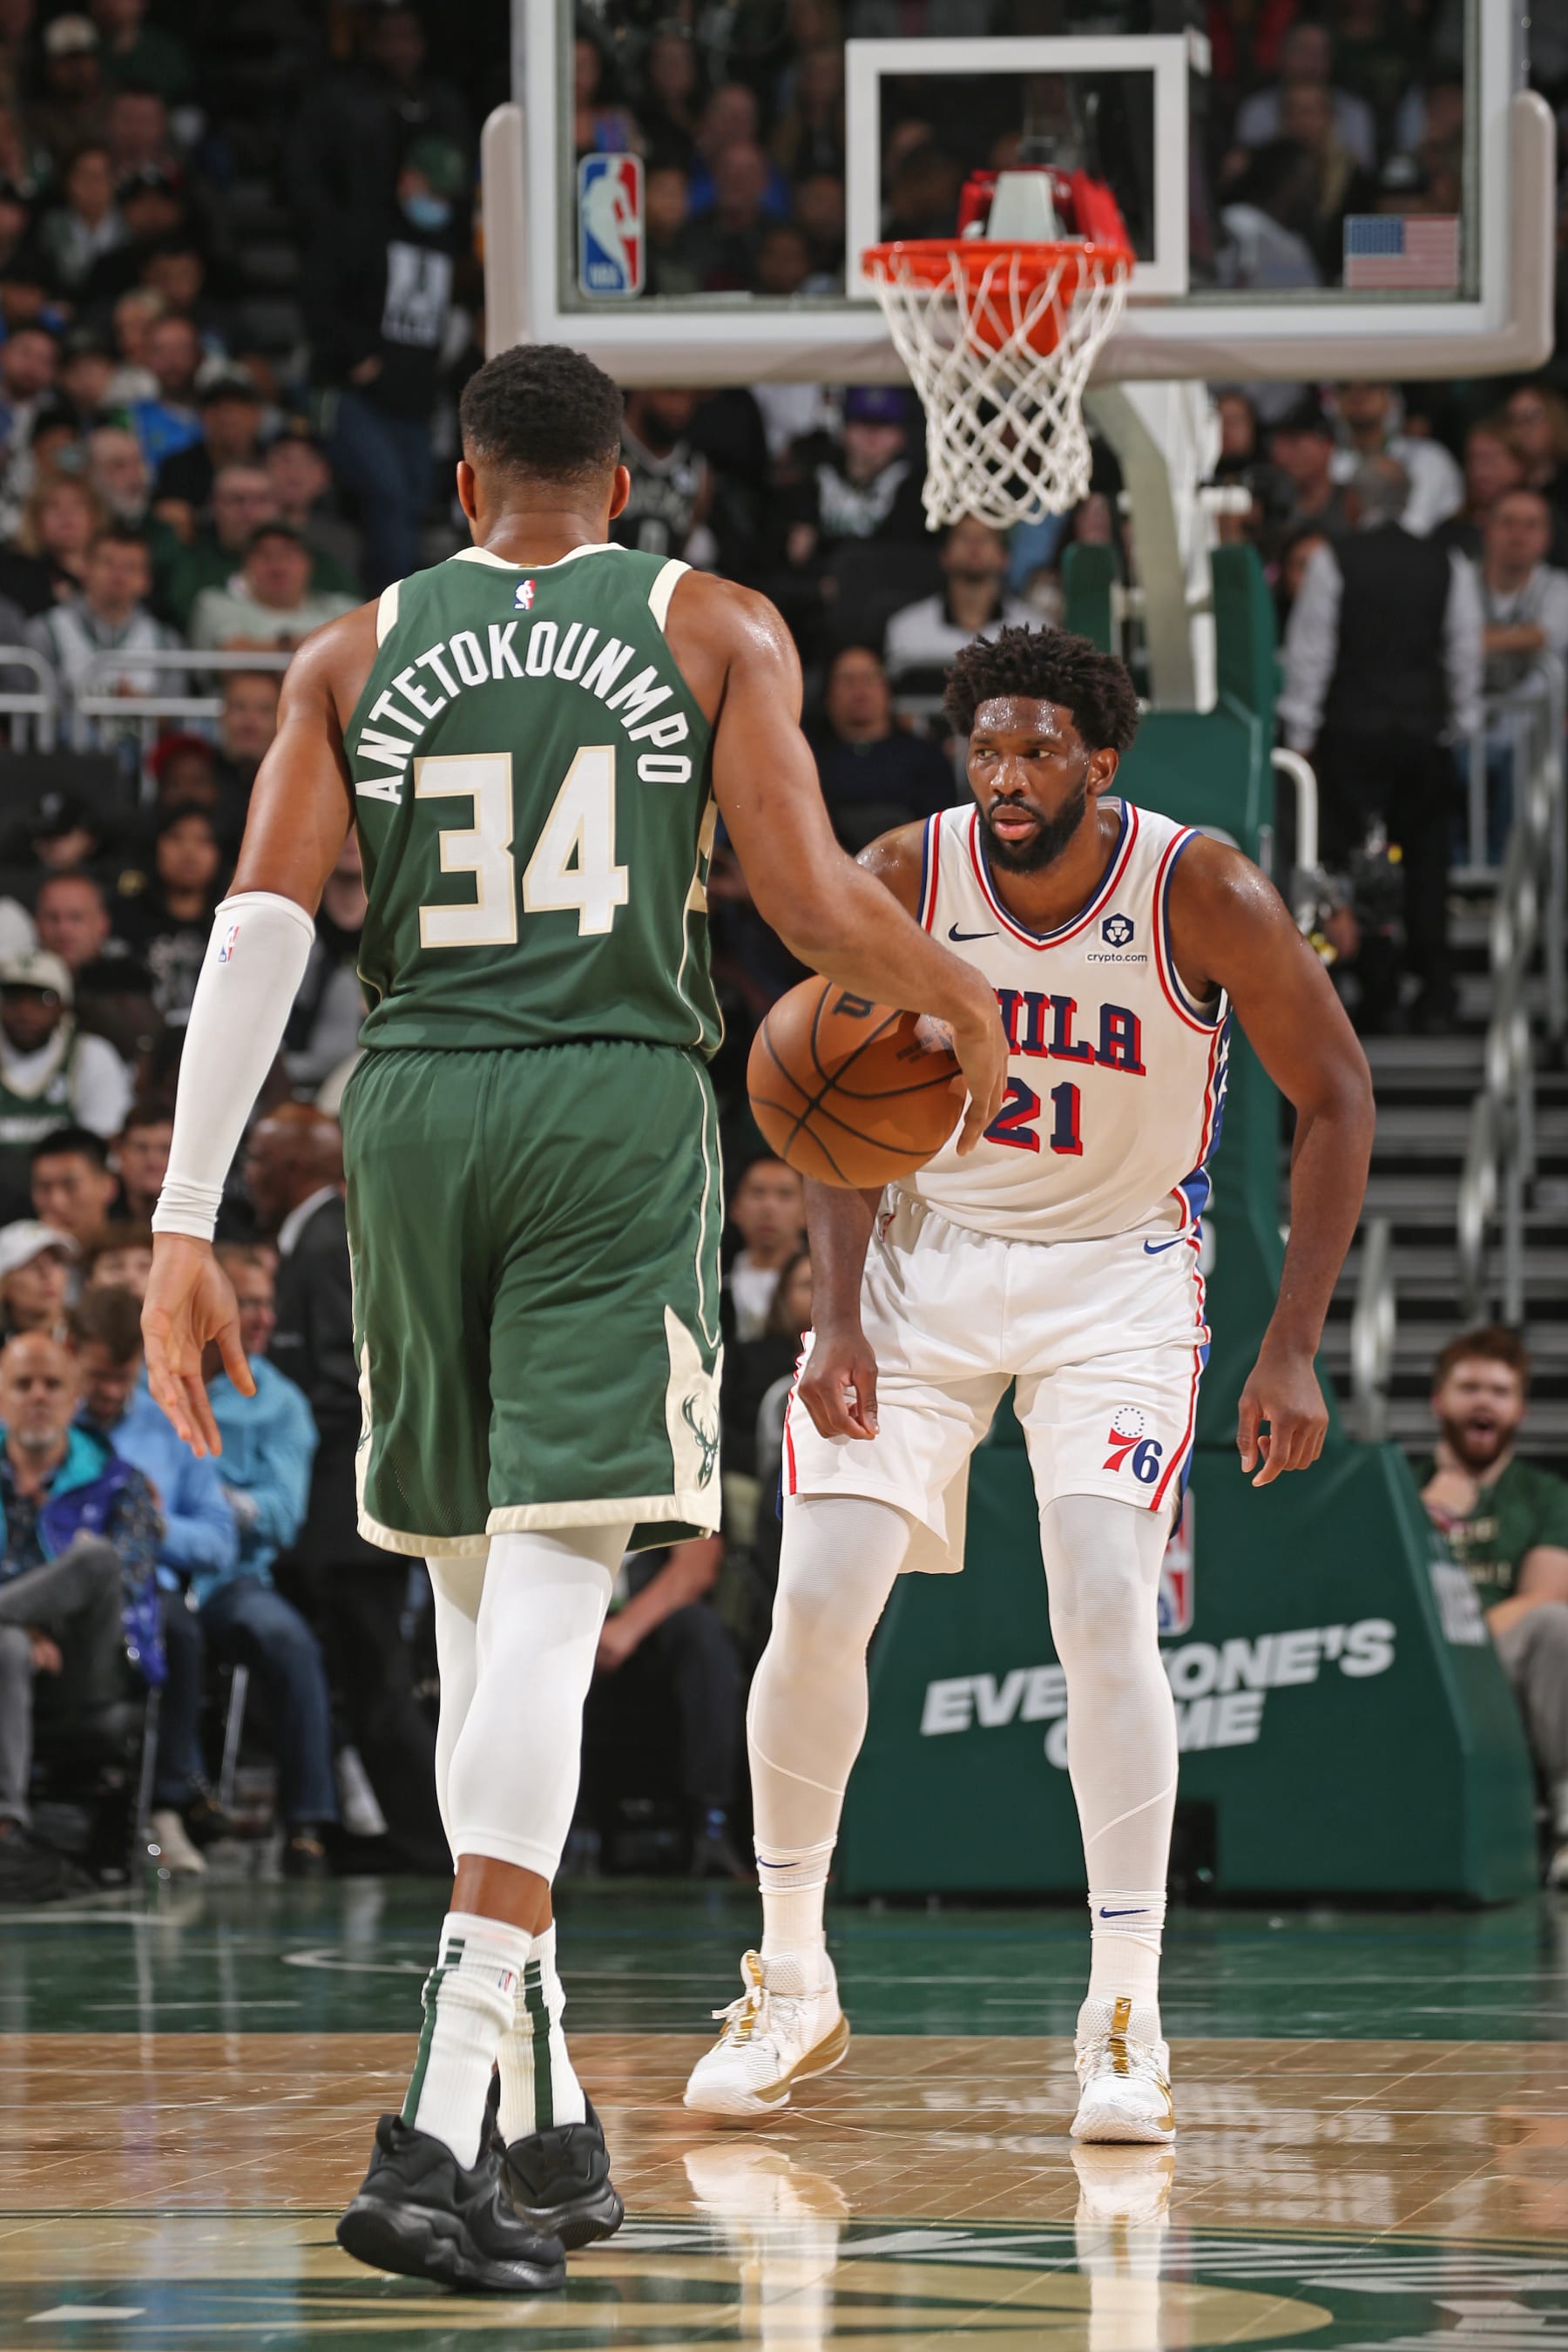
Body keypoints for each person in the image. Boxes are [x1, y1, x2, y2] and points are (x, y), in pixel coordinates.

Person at [139, 338, 1005, 2292]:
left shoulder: (346, 651)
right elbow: (804, 900)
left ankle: (543, 2125)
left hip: (410, 1107)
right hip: (610, 1102)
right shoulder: (712, 624)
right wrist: (964, 999)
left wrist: (186, 1220)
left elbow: (259, 929)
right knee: (546, 1591)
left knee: (475, 1618)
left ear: (462, 491)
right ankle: (440, 2117)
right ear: (625, 487)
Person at [683, 623, 1374, 2147]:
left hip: (1118, 1278)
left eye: (1037, 750)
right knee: (816, 1603)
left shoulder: (1200, 888)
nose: (1004, 774)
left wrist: (1292, 1342)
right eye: (986, 747)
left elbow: (1337, 1096)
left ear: (1100, 761)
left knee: (1102, 1606)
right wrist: (838, 1316)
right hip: (923, 1265)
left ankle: (1124, 2012)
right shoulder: (904, 872)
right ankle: (790, 1981)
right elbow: (834, 1103)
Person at [244, 1104, 445, 1877]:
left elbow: (346, 1381)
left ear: (294, 1165)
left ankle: (430, 1843)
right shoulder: (330, 1233)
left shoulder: (329, 1242)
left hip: (344, 1505)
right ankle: (390, 1831)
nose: (248, 1175)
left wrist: (280, 1425)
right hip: (347, 1500)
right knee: (359, 1679)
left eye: (259, 1160)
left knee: (377, 1679)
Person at [1280, 456, 1484, 1031]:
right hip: (1423, 735)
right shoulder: (1445, 562)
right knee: (1427, 862)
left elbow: (1311, 654)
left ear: (1353, 503)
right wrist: (1461, 721)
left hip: (1353, 735)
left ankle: (1379, 989)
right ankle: (1437, 990)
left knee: (1360, 861)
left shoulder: (1335, 560)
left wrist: (1301, 734)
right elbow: (1464, 648)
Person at [68, 1282, 240, 1878]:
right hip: (59, 1582)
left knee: (180, 1631)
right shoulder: (44, 1413)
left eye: (122, 1377)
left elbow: (220, 1541)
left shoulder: (170, 1423)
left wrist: (153, 1525)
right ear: (71, 1352)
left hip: (144, 1586)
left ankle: (165, 1805)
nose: (110, 1392)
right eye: (97, 1376)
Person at [0, 1329, 158, 1901]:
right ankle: (6, 1833)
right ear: (1, 1396)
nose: (38, 1396)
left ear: (74, 1399)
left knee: (97, 1559)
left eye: (52, 1385)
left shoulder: (120, 1480)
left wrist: (39, 1617)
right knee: (7, 1646)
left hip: (89, 1664)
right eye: (23, 1384)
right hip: (10, 1658)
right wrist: (21, 1624)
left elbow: (131, 1576)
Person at [1418, 1328, 1568, 1888]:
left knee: (1556, 1625)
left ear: (1520, 1410)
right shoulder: (1402, 1486)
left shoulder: (1544, 1495)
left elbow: (1545, 1597)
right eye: (1470, 1388)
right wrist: (1429, 1514)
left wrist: (1464, 1641)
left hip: (1497, 1660)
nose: (1484, 1402)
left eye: (1500, 1391)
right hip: (1410, 1656)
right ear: (1439, 1401)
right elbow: (1381, 1593)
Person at [808, 645, 957, 852]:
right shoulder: (808, 758)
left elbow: (940, 831)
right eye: (847, 680)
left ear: (887, 689)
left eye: (870, 677)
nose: (860, 689)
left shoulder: (925, 756)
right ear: (828, 694)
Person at [0, 950, 132, 1175]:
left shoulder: (90, 1055)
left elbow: (104, 1151)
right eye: (13, 997)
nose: (25, 1011)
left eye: (43, 998)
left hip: (66, 1190)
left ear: (65, 1006)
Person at [24, 522, 179, 713]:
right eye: (108, 563)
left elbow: (175, 715)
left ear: (146, 581)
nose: (119, 575)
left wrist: (139, 707)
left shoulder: (166, 641)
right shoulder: (46, 631)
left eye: (131, 567)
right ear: (85, 569)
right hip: (68, 733)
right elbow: (37, 711)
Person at [883, 516, 1037, 686]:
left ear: (1004, 557)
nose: (974, 545)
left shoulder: (1033, 631)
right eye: (963, 536)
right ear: (944, 555)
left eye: (986, 537)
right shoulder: (907, 629)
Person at [188, 521, 355, 652]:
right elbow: (233, 654)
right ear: (245, 566)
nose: (278, 567)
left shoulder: (343, 610)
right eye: (265, 556)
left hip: (327, 686)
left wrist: (277, 648)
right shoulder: (217, 605)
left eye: (288, 555)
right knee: (250, 685)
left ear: (308, 564)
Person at [1328, 383, 1463, 539]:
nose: (1357, 395)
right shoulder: (1328, 463)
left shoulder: (1430, 458)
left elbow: (1430, 525)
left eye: (1370, 386)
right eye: (1346, 387)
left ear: (1390, 398)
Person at [724, 1156, 805, 1342]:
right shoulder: (713, 1279)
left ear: (807, 1212)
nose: (769, 1207)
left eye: (785, 1195)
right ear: (735, 1208)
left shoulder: (825, 1284)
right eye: (757, 1193)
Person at [30, 1125, 117, 1246]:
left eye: (71, 1186)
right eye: (44, 1188)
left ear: (107, 1186)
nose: (57, 1202)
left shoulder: (139, 1252)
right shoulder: (11, 1254)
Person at [0, 1218, 75, 1338]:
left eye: (55, 1261)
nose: (47, 1273)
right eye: (32, 1265)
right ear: (4, 1284)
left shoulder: (92, 1337)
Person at [110, 1098, 169, 1220]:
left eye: (165, 1149)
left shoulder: (203, 1211)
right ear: (119, 1151)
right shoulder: (95, 1210)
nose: (153, 1162)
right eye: (141, 1148)